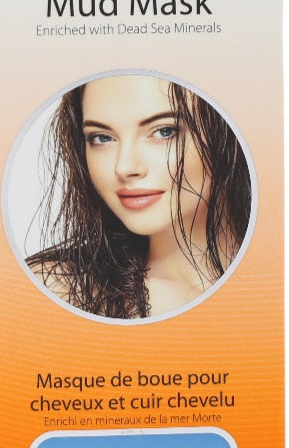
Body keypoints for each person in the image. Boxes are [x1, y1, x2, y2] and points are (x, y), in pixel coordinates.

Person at [26, 74, 250, 319]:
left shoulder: (273, 286)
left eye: (164, 131)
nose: (124, 167)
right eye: (101, 137)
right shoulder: (59, 291)